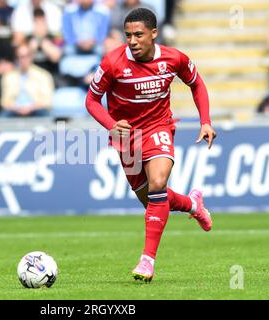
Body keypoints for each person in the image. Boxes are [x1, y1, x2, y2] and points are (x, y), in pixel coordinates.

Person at [85, 8, 216, 282]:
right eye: (128, 35)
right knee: (153, 201)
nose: (132, 41)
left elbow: (197, 84)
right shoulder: (112, 63)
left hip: (159, 128)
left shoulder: (174, 58)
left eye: (139, 35)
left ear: (154, 33)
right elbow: (91, 101)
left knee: (157, 183)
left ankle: (147, 261)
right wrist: (111, 124)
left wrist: (205, 121)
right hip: (126, 137)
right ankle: (193, 204)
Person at [0, 43, 54, 117]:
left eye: (26, 56)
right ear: (16, 59)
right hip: (14, 111)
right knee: (3, 115)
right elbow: (4, 102)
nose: (23, 60)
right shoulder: (8, 76)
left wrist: (30, 108)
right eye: (20, 57)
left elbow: (47, 102)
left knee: (45, 114)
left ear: (31, 57)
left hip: (36, 110)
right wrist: (17, 108)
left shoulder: (43, 75)